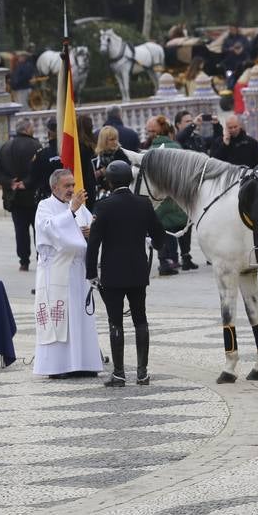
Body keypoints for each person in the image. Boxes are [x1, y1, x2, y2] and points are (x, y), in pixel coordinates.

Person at [86, 160, 165, 387]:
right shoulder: (143, 204)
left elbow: (94, 244)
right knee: (141, 319)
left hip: (113, 273)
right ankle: (142, 373)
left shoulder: (103, 206)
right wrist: (152, 242)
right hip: (138, 271)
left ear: (109, 181)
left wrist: (91, 272)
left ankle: (119, 373)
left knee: (115, 322)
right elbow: (159, 236)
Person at [33, 168, 102, 379]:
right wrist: (71, 213)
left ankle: (84, 362)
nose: (71, 189)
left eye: (73, 185)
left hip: (78, 271)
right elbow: (47, 229)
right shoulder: (45, 206)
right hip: (56, 271)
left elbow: (89, 225)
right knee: (60, 319)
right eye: (67, 186)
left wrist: (92, 230)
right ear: (55, 187)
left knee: (80, 316)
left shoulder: (79, 207)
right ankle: (58, 366)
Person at [0, 118, 42, 272]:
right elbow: (39, 172)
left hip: (14, 197)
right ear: (27, 130)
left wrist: (10, 183)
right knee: (39, 230)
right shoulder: (36, 146)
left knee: (20, 231)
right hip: (34, 196)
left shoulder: (5, 147)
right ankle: (41, 259)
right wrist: (26, 183)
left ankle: (24, 261)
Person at [144, 115, 187, 274]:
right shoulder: (177, 147)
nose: (148, 134)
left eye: (150, 131)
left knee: (162, 228)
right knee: (175, 228)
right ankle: (175, 259)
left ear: (157, 131)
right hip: (177, 196)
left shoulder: (150, 152)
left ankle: (164, 261)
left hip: (158, 198)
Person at [90, 126, 130, 200]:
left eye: (116, 139)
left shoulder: (121, 154)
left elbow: (128, 174)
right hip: (99, 196)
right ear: (103, 141)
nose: (115, 142)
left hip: (119, 195)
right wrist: (100, 172)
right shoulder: (95, 157)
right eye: (111, 139)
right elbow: (89, 178)